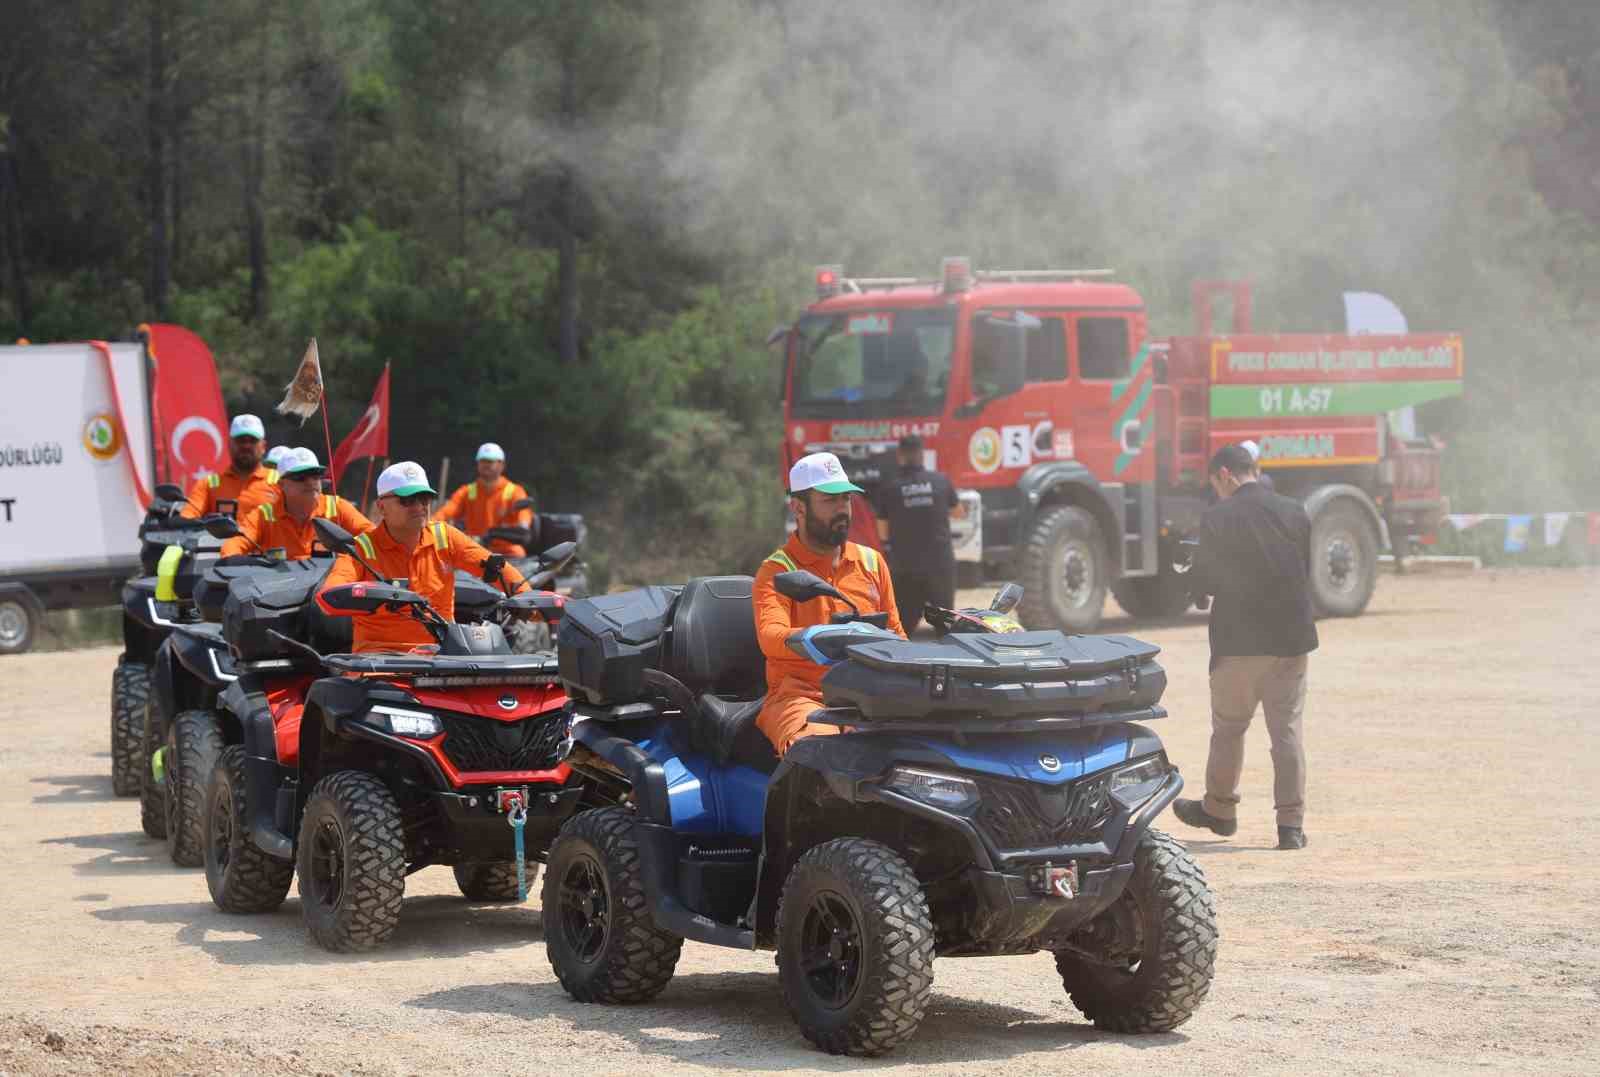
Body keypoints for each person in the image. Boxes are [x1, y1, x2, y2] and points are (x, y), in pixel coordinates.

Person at [1172, 443, 1318, 850]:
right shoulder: (1295, 511)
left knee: (1230, 730)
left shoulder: (1219, 517)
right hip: (1290, 641)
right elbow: (1302, 573)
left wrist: (1190, 579)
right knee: (1286, 732)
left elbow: (1204, 582)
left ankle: (1220, 811)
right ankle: (1290, 827)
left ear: (1224, 475)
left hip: (1238, 642)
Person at [753, 451, 905, 754]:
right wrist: (821, 638)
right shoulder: (777, 570)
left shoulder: (871, 562)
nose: (842, 509)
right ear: (798, 507)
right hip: (800, 697)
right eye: (829, 500)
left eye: (846, 499)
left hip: (867, 694)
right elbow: (770, 637)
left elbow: (898, 635)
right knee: (823, 755)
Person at [317, 461, 523, 652]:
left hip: (442, 658)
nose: (419, 506)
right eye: (408, 500)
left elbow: (497, 567)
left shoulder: (446, 536)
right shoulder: (361, 548)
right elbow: (329, 596)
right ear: (381, 507)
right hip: (379, 662)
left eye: (424, 499)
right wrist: (369, 594)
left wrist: (527, 599)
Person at [875, 434, 962, 632]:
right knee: (945, 627)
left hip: (906, 568)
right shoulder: (941, 481)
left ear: (900, 455)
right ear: (922, 455)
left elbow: (883, 533)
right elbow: (958, 513)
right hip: (940, 566)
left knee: (902, 629)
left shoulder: (889, 487)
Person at [221, 448, 371, 559]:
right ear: (281, 485)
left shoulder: (337, 507)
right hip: (279, 595)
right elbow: (235, 543)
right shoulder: (263, 515)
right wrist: (231, 561)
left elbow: (373, 537)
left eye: (315, 475)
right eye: (301, 477)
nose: (311, 482)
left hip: (329, 592)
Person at [432, 442, 535, 557]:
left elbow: (524, 521)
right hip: (474, 548)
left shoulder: (514, 491)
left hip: (505, 550)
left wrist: (522, 526)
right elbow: (445, 513)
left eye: (490, 461)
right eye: (483, 461)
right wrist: (430, 528)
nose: (486, 465)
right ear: (478, 464)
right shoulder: (467, 491)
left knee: (518, 553)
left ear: (502, 465)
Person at [179, 414, 280, 519]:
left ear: (263, 446)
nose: (246, 446)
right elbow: (188, 517)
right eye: (240, 440)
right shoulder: (207, 485)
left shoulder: (281, 483)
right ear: (229, 444)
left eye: (252, 440)